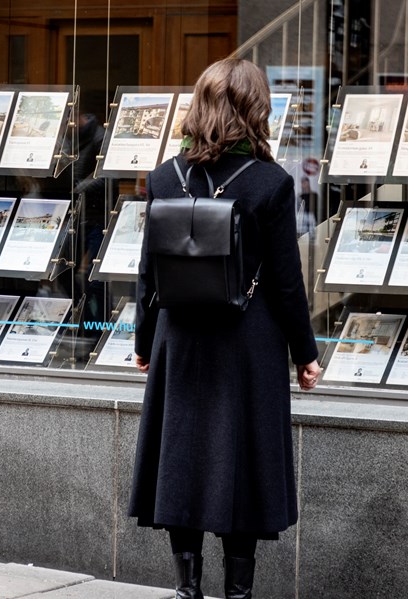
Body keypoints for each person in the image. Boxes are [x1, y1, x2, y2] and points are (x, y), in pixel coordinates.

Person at [129, 58, 321, 599]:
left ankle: (187, 590)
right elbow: (286, 284)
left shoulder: (165, 175)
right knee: (243, 465)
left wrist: (144, 343)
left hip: (180, 341)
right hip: (248, 343)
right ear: (256, 110)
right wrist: (305, 354)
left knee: (183, 460)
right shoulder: (271, 184)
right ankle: (238, 594)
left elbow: (148, 275)